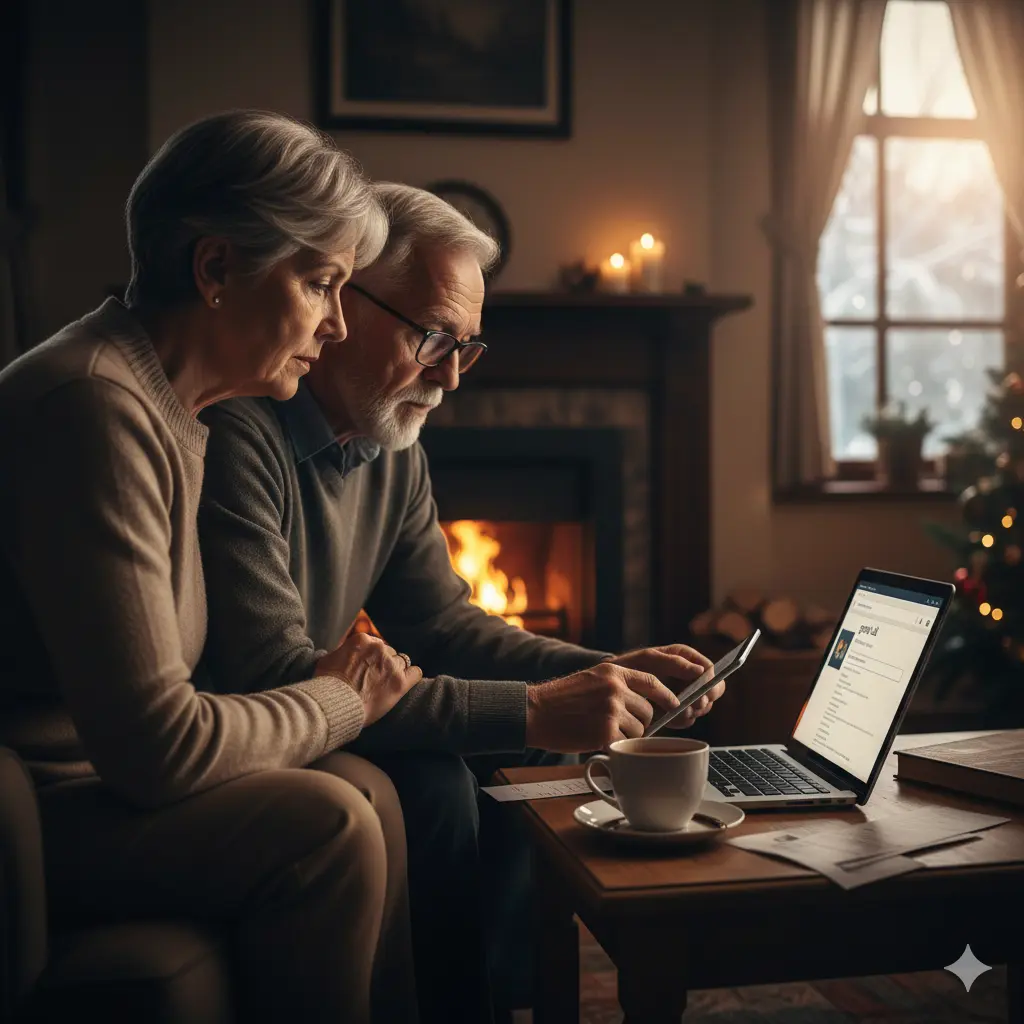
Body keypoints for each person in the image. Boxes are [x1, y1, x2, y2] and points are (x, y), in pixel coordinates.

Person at [197, 182, 727, 1021]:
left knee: (549, 752)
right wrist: (535, 707)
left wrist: (607, 674)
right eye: (433, 336)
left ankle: (511, 1000)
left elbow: (441, 624)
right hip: (260, 724)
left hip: (331, 705)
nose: (449, 377)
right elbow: (274, 674)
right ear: (342, 300)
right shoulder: (239, 434)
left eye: (467, 348)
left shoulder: (389, 439)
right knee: (442, 781)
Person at [0, 112, 425, 1024]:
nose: (339, 322)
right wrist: (342, 699)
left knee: (369, 790)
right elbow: (163, 750)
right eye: (320, 283)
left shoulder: (168, 410)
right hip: (37, 811)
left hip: (92, 784)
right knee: (333, 824)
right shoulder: (92, 408)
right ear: (217, 269)